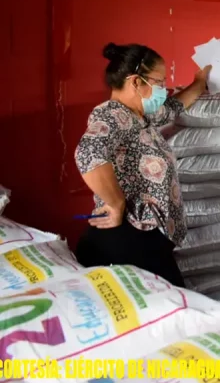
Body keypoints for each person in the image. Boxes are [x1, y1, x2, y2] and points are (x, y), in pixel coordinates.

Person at [74, 42, 211, 287]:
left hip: (145, 238)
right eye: (159, 82)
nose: (164, 89)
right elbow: (88, 152)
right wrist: (116, 204)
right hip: (129, 238)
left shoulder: (141, 115)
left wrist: (200, 82)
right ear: (136, 82)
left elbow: (174, 107)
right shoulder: (114, 114)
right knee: (174, 311)